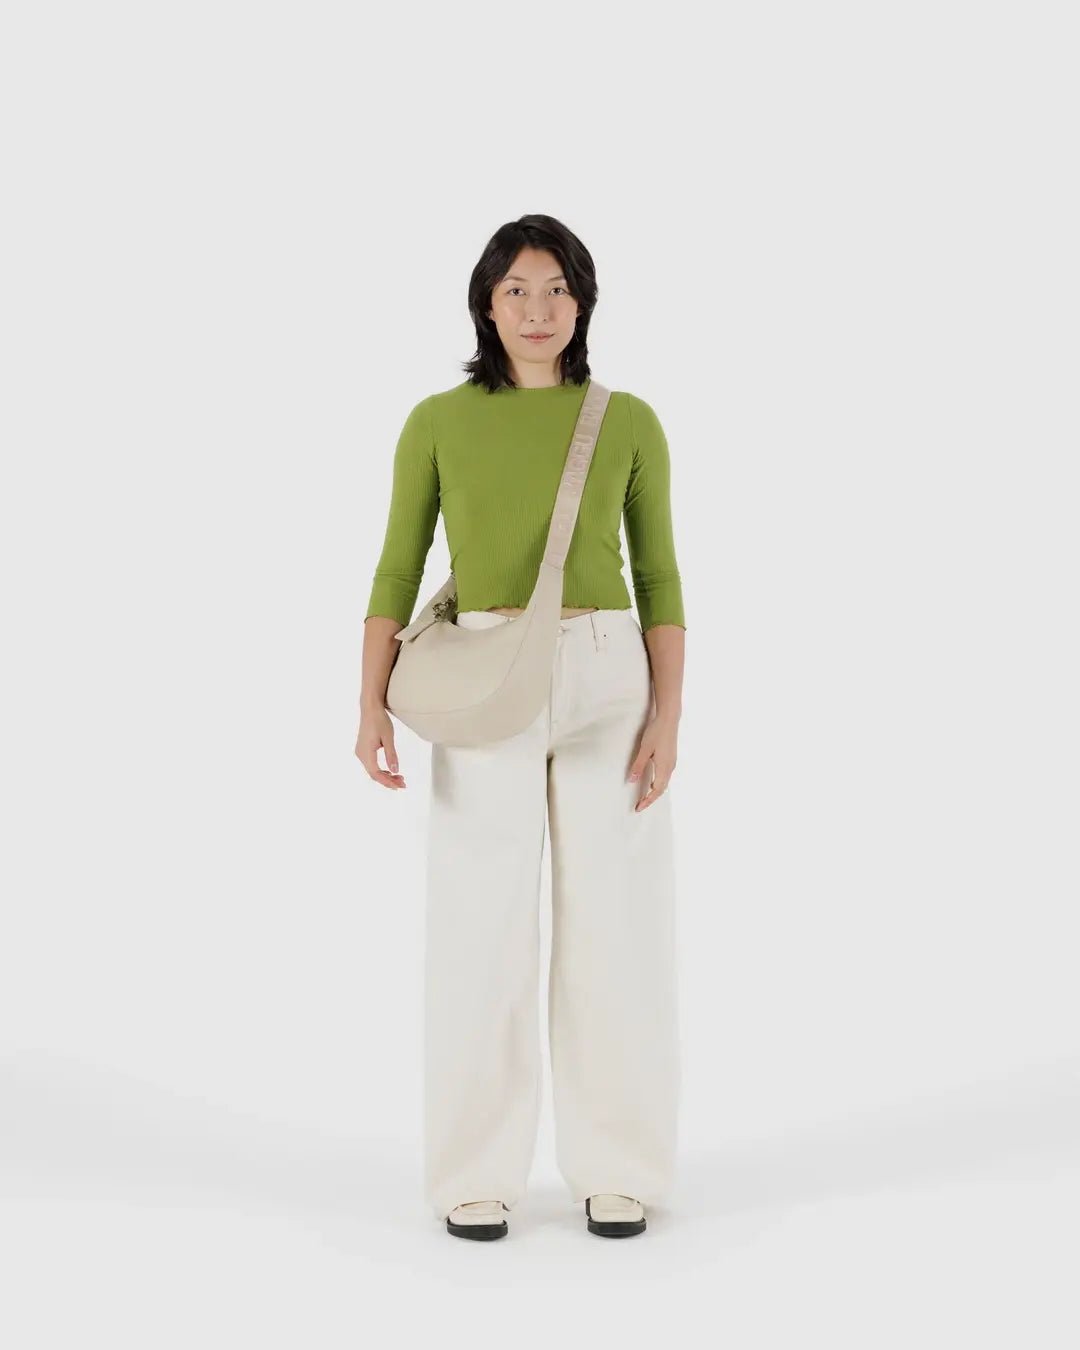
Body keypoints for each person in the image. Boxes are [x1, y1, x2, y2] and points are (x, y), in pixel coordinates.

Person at [355, 214, 686, 1241]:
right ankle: (474, 1175)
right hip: (484, 679)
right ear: (486, 305)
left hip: (607, 674)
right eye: (516, 291)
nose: (537, 311)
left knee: (614, 930)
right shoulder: (436, 422)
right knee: (479, 927)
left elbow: (660, 576)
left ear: (582, 304)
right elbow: (397, 568)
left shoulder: (627, 420)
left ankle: (618, 1169)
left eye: (557, 290)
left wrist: (670, 714)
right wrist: (367, 704)